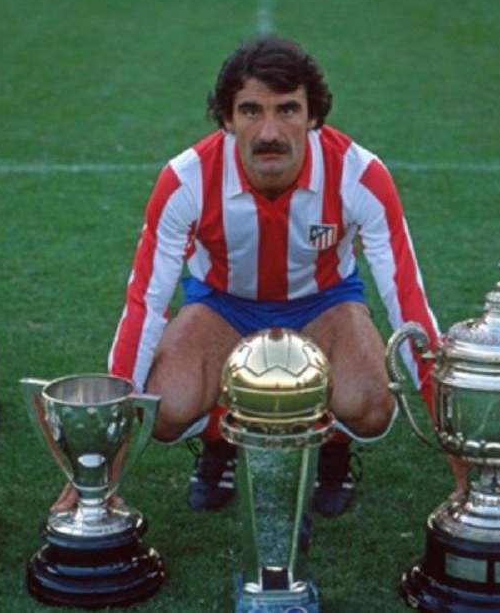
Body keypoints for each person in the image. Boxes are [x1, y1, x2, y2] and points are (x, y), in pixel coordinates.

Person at [56, 36, 455, 517]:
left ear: (313, 116)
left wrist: (461, 463)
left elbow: (408, 305)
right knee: (164, 408)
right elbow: (145, 306)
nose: (270, 131)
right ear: (227, 119)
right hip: (222, 308)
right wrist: (104, 460)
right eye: (250, 111)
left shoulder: (359, 175)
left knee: (371, 405)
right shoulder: (186, 180)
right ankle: (221, 443)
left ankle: (332, 451)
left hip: (325, 305)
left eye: (287, 110)